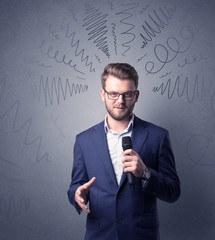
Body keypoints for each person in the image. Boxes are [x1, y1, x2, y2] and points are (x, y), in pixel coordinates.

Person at [67, 63, 180, 240]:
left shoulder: (158, 136)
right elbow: (76, 185)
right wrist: (77, 194)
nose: (120, 101)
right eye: (113, 94)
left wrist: (145, 173)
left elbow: (173, 192)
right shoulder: (84, 140)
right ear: (103, 94)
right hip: (100, 235)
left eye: (127, 94)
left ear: (136, 96)